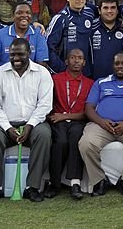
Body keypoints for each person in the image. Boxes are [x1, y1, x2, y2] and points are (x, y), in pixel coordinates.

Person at [0, 39, 53, 204]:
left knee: (44, 135)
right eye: (12, 54)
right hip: (4, 125)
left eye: (20, 54)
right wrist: (8, 128)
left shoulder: (42, 73)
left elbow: (45, 105)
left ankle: (33, 187)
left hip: (33, 123)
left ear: (29, 53)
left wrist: (30, 125)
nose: (16, 58)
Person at [78, 52, 123, 197]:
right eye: (117, 63)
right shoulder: (100, 82)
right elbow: (89, 108)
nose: (120, 67)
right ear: (113, 65)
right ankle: (99, 180)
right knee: (85, 143)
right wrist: (102, 122)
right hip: (101, 125)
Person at [46, 49, 93, 200]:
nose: (76, 61)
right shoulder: (55, 79)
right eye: (73, 57)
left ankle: (75, 183)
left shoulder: (89, 83)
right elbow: (47, 104)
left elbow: (88, 112)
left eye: (80, 58)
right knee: (60, 141)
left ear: (84, 62)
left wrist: (67, 116)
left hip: (78, 121)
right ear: (66, 61)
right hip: (57, 121)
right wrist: (55, 117)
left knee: (75, 139)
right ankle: (54, 183)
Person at [0, 3, 49, 81]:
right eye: (19, 13)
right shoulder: (0, 34)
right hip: (4, 79)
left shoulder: (38, 34)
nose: (24, 15)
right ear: (13, 16)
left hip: (30, 79)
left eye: (28, 13)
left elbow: (41, 63)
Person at [47, 0, 97, 77]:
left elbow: (108, 13)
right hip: (66, 75)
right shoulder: (60, 18)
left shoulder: (90, 13)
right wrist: (62, 70)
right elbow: (49, 47)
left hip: (87, 74)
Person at [89, 0, 123, 80]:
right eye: (105, 8)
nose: (109, 11)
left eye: (113, 8)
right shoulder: (91, 29)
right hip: (96, 81)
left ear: (117, 11)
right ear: (99, 10)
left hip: (121, 81)